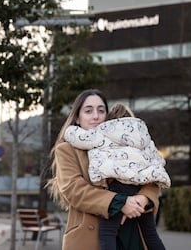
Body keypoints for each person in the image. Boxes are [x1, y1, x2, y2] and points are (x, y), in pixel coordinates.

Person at [47, 89, 160, 250]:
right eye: (88, 111)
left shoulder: (124, 141)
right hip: (90, 237)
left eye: (101, 110)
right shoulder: (67, 149)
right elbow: (74, 190)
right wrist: (120, 203)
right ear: (77, 118)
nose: (96, 116)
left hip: (133, 231)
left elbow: (151, 174)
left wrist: (143, 198)